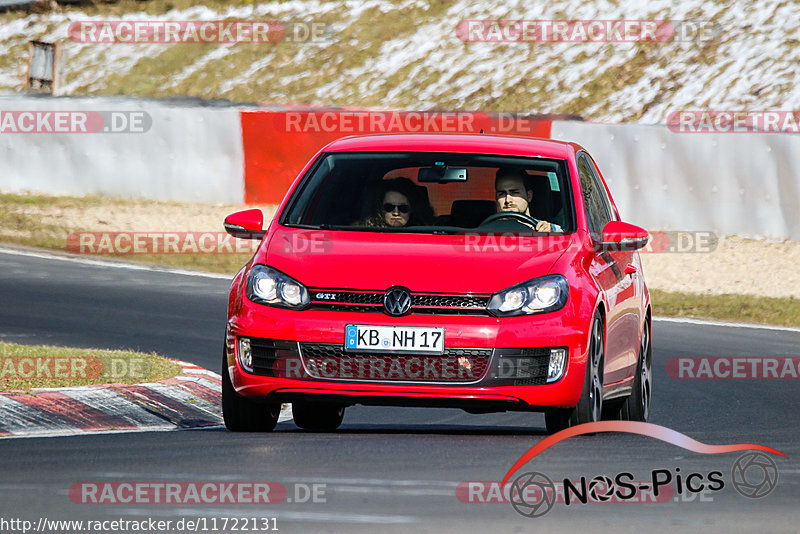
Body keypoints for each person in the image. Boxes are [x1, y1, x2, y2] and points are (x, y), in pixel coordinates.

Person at [494, 167, 562, 232]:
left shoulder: (550, 230)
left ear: (529, 196)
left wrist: (550, 235)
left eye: (515, 193)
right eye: (502, 194)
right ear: (497, 199)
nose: (508, 200)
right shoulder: (486, 231)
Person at [359, 177, 434, 228]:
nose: (396, 213)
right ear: (380, 209)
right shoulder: (365, 234)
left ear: (412, 209)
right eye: (389, 207)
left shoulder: (426, 234)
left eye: (403, 208)